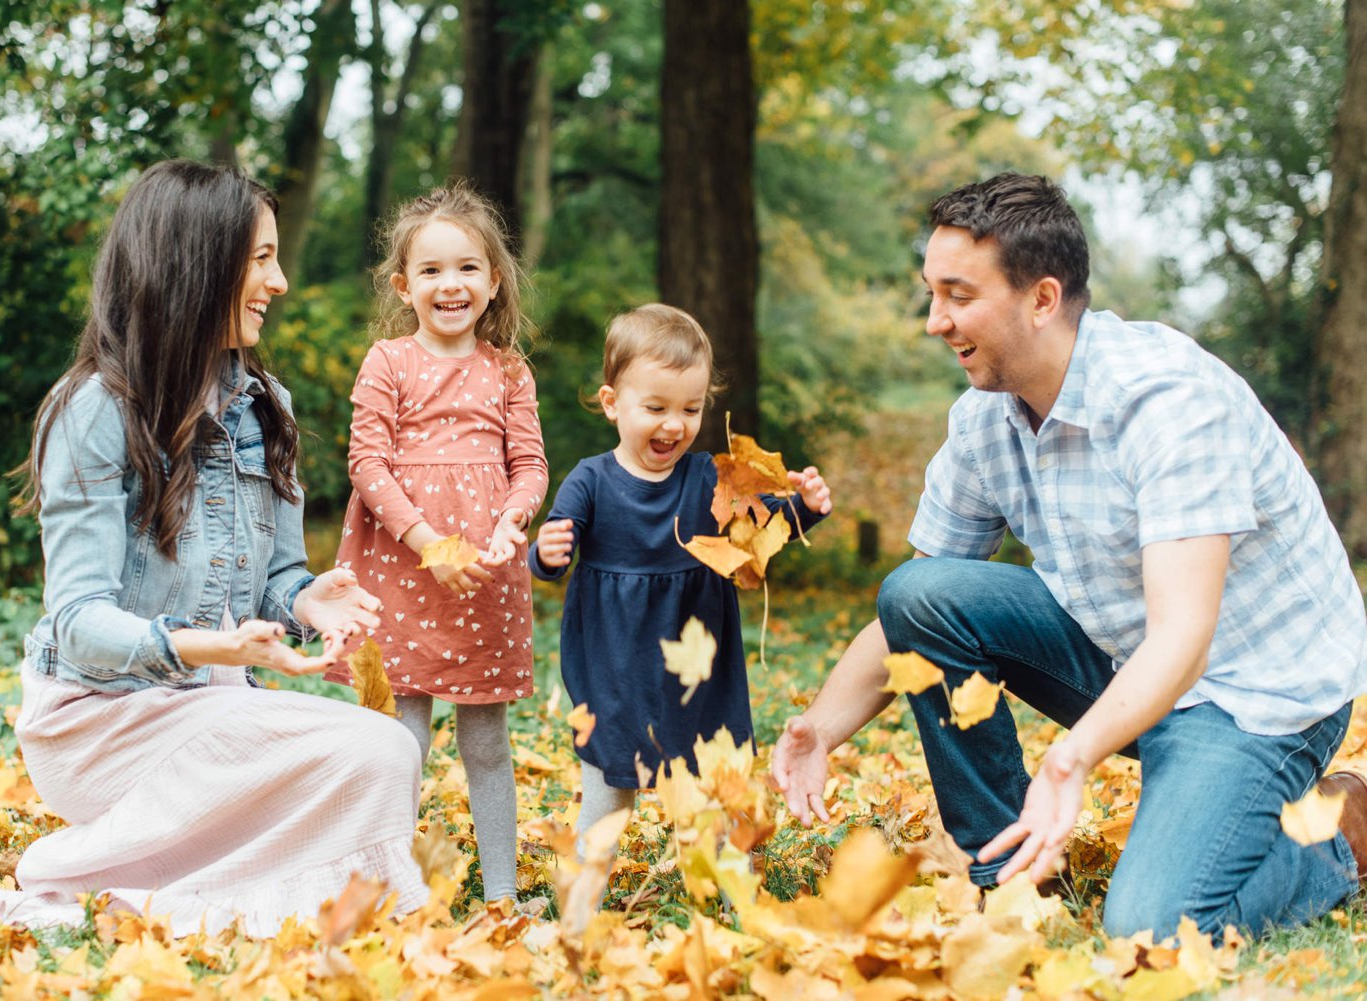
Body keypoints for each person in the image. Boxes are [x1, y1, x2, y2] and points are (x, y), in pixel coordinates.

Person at [772, 172, 1367, 940]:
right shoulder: (983, 420)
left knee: (1152, 929)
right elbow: (911, 614)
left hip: (1252, 693)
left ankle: (1344, 829)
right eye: (932, 293)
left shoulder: (1168, 403)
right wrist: (820, 728)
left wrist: (1071, 758)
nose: (933, 321)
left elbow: (1184, 637)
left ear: (1042, 299)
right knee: (922, 592)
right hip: (1123, 655)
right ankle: (1008, 876)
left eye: (957, 295)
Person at [0, 160, 429, 937]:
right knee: (378, 747)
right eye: (260, 258)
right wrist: (206, 647)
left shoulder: (266, 406)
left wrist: (307, 597)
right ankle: (75, 873)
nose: (279, 281)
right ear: (197, 263)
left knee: (384, 754)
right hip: (101, 717)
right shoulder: (92, 410)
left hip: (213, 706)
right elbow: (78, 621)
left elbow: (278, 576)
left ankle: (169, 882)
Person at [531, 304, 833, 856]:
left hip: (699, 665)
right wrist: (548, 553)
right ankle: (583, 903)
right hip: (617, 662)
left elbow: (760, 528)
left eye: (691, 408)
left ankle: (718, 896)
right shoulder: (591, 480)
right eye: (656, 407)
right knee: (610, 787)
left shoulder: (710, 477)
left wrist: (805, 510)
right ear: (611, 404)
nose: (675, 424)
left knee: (706, 786)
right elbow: (555, 546)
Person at [329, 182, 547, 906]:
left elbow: (530, 465)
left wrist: (510, 521)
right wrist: (426, 541)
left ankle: (503, 894)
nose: (449, 284)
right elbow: (367, 462)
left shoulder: (509, 370)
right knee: (401, 738)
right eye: (430, 270)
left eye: (466, 268)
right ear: (403, 284)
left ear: (492, 281)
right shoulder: (387, 362)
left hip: (484, 576)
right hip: (401, 570)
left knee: (486, 740)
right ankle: (385, 883)